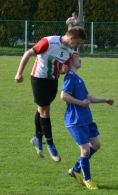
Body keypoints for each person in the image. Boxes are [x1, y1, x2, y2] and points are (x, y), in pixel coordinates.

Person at [14, 27, 87, 162]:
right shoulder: (48, 42)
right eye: (78, 43)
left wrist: (62, 70)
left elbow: (60, 69)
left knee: (41, 109)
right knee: (45, 111)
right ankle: (50, 144)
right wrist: (19, 73)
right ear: (71, 38)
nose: (78, 46)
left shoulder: (70, 51)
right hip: (38, 79)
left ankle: (37, 138)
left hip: (53, 81)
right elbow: (28, 54)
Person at [60, 52, 114, 190]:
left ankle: (75, 169)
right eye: (77, 57)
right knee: (85, 151)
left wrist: (105, 100)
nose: (80, 59)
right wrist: (80, 103)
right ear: (71, 60)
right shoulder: (70, 78)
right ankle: (87, 179)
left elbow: (87, 97)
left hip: (86, 119)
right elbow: (64, 95)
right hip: (76, 121)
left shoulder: (78, 78)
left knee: (96, 145)